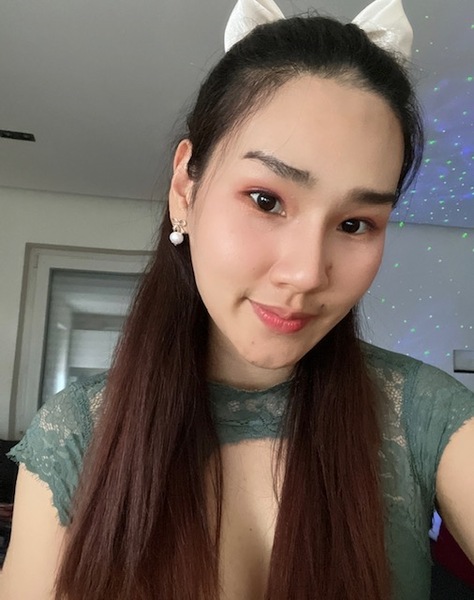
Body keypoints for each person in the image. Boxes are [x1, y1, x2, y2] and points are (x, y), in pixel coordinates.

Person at [2, 0, 474, 598]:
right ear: (185, 187)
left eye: (355, 223)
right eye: (266, 200)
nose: (306, 274)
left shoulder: (427, 415)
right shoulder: (73, 436)